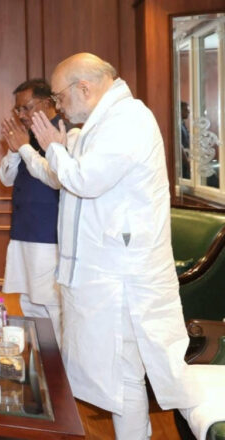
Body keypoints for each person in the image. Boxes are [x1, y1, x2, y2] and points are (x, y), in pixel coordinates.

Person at [30, 52, 196, 439]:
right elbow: (70, 178)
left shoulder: (128, 120)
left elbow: (85, 180)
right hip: (108, 276)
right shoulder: (101, 124)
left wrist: (53, 147)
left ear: (84, 88)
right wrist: (60, 148)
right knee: (122, 379)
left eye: (59, 97)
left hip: (124, 279)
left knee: (138, 376)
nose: (58, 106)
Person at [0, 79, 63, 344]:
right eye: (18, 110)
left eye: (26, 107)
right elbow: (6, 179)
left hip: (49, 238)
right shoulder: (27, 137)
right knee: (28, 302)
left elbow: (54, 177)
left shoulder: (62, 133)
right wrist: (16, 150)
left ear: (47, 103)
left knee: (52, 307)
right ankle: (40, 356)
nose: (21, 115)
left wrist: (25, 147)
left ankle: (57, 362)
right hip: (22, 235)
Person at [180, 101, 191, 180]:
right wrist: (187, 162)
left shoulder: (182, 124)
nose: (188, 112)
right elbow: (179, 145)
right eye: (186, 110)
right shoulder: (178, 126)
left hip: (186, 158)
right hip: (182, 162)